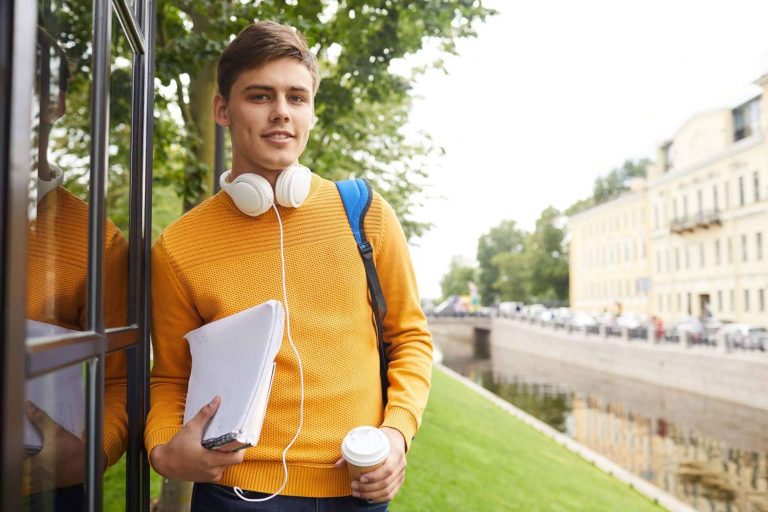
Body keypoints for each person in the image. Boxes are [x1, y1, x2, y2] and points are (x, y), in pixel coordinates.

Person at [145, 21, 432, 511]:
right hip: (234, 493)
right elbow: (171, 378)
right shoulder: (178, 247)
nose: (282, 113)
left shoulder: (367, 214)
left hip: (357, 491)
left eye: (297, 98)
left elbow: (410, 338)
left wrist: (397, 435)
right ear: (222, 109)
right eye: (260, 96)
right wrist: (164, 451)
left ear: (312, 112)